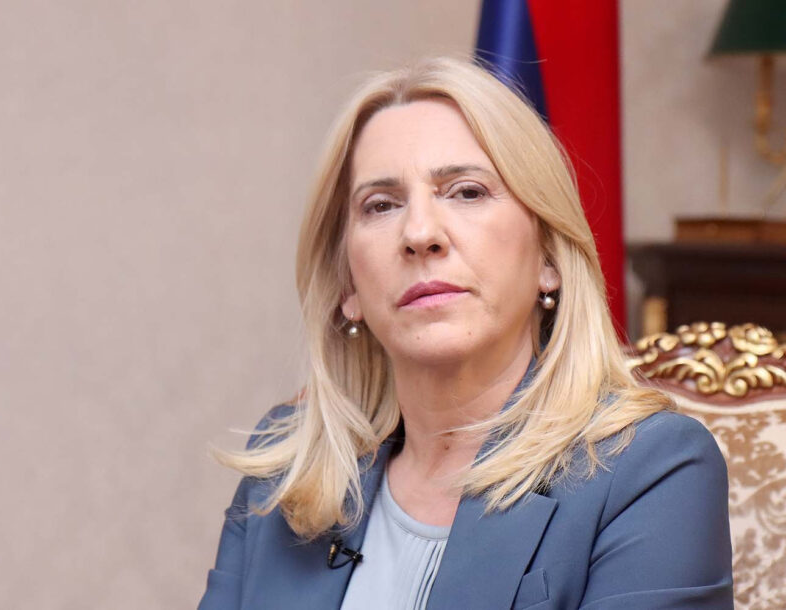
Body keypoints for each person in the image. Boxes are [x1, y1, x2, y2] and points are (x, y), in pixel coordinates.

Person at [198, 57, 733, 609]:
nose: (419, 233)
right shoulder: (285, 464)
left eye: (467, 192)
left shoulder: (651, 470)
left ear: (549, 257)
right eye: (381, 205)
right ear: (347, 285)